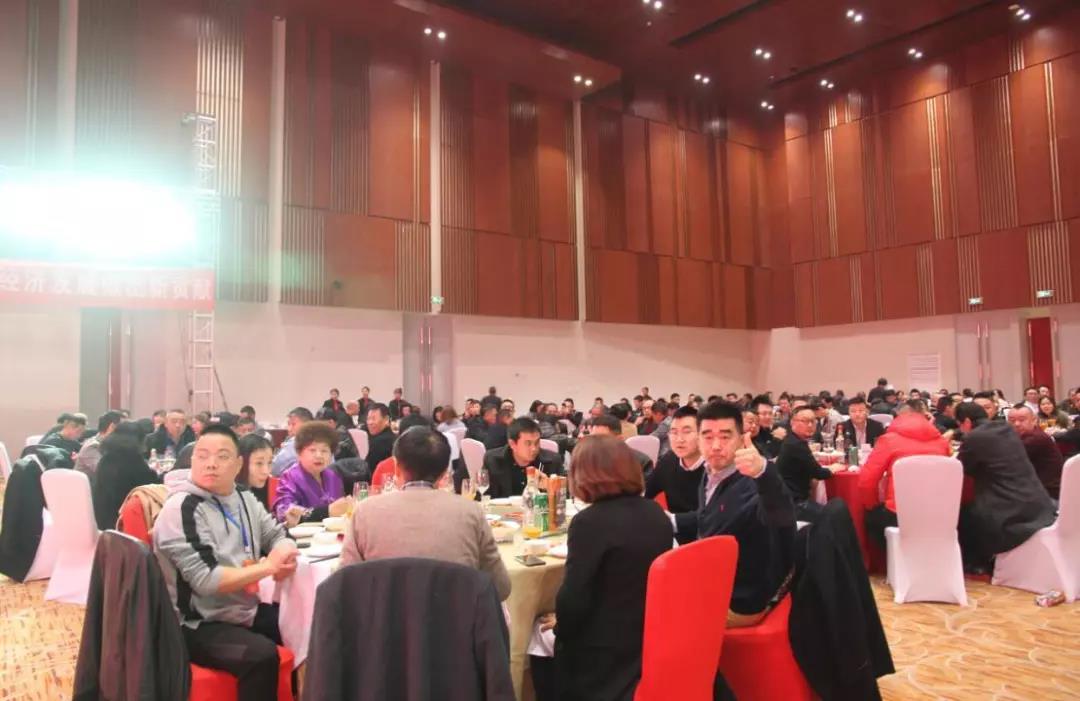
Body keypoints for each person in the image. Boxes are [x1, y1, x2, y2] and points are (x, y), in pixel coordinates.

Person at [154, 425, 298, 701]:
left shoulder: (243, 497)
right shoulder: (182, 508)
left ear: (238, 464)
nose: (211, 463)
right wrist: (269, 567)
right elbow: (206, 581)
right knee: (260, 656)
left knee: (306, 626)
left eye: (222, 456)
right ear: (192, 460)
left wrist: (285, 553)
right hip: (194, 624)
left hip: (240, 609)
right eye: (202, 456)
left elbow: (276, 534)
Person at [538, 437, 672, 701]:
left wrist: (560, 624)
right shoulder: (655, 512)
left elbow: (574, 598)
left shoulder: (590, 522)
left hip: (606, 651)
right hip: (648, 633)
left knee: (536, 639)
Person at [340, 426, 510, 598]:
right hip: (455, 613)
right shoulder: (471, 512)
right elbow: (501, 587)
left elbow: (345, 585)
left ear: (396, 467)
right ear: (444, 473)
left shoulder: (365, 512)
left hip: (384, 613)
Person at [682, 401, 795, 628]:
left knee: (660, 616)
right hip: (716, 578)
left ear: (742, 438)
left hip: (740, 598)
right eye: (707, 436)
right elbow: (710, 520)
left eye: (725, 437)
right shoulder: (711, 471)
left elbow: (780, 516)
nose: (716, 446)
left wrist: (763, 473)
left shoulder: (751, 480)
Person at [954, 402, 1056, 572]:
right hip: (1038, 503)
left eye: (959, 425)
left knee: (964, 514)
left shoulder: (974, 437)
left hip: (1010, 512)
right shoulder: (1006, 429)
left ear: (966, 422)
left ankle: (977, 564)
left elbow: (960, 468)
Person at [858, 411, 951, 548]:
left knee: (870, 517)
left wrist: (871, 505)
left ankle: (890, 556)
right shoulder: (942, 443)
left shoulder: (889, 440)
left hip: (898, 514)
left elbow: (867, 481)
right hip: (937, 513)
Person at [273, 422, 351, 525]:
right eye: (312, 450)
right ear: (299, 453)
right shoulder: (290, 477)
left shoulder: (333, 477)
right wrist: (327, 511)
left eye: (324, 451)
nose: (319, 455)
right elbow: (285, 513)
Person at [644, 406, 703, 545]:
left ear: (702, 434)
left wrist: (672, 520)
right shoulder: (669, 460)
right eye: (674, 432)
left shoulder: (716, 466)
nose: (679, 439)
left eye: (687, 432)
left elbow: (717, 513)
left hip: (709, 538)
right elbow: (647, 493)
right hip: (674, 538)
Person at [776, 405, 842, 520]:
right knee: (835, 515)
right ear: (792, 422)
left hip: (790, 499)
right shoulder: (796, 444)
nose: (810, 425)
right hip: (794, 504)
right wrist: (833, 468)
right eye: (805, 421)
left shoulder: (793, 440)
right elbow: (819, 473)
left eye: (813, 421)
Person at [92, 423, 161, 530]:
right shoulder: (134, 461)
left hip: (102, 520)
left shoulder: (105, 459)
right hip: (125, 521)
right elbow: (150, 487)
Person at [484, 417, 564, 498]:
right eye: (528, 443)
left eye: (536, 442)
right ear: (512, 444)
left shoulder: (553, 461)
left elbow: (566, 496)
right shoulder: (493, 460)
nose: (534, 448)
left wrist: (549, 485)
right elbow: (484, 495)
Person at [1007, 404, 1064, 501]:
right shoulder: (1025, 435)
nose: (1016, 424)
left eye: (1022, 420)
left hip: (1048, 496)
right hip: (1035, 491)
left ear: (1034, 420)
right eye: (1012, 421)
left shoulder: (1036, 438)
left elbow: (1006, 458)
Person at [581, 414, 653, 476]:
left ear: (619, 439)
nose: (596, 443)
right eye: (593, 438)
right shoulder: (585, 459)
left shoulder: (640, 462)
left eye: (603, 439)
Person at [76, 410, 124, 483]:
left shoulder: (112, 444)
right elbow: (105, 472)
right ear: (112, 427)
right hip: (88, 488)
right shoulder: (92, 446)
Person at [237, 433, 276, 511]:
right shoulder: (229, 495)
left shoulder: (273, 488)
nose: (266, 471)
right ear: (241, 462)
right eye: (259, 463)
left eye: (269, 462)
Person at [270, 407, 313, 476]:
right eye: (288, 424)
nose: (289, 429)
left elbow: (274, 469)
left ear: (307, 426)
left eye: (293, 424)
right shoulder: (322, 440)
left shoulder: (296, 442)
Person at [363, 403, 396, 470]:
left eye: (373, 419)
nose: (370, 422)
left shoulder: (379, 442)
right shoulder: (393, 437)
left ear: (386, 419)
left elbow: (369, 470)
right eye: (368, 419)